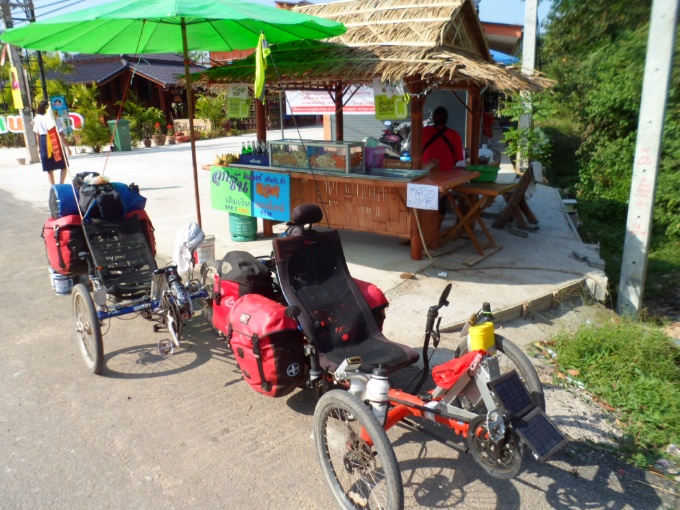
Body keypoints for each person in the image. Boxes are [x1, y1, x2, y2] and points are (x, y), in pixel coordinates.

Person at [33, 100, 71, 185]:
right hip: (54, 139)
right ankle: (61, 184)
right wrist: (67, 147)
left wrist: (39, 147)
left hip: (43, 141)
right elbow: (60, 133)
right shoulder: (54, 117)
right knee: (63, 165)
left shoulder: (37, 118)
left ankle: (53, 187)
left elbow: (37, 134)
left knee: (49, 168)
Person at [422, 106, 464, 171]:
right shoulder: (454, 135)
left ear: (433, 118)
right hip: (447, 174)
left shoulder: (423, 132)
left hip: (426, 172)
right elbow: (457, 158)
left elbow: (415, 153)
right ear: (446, 119)